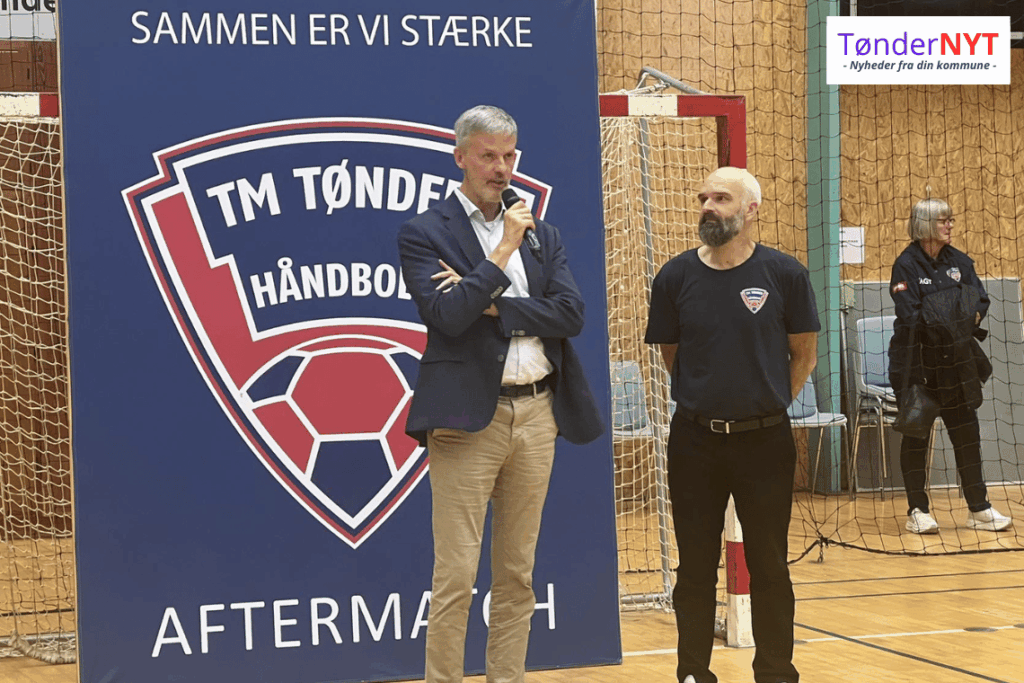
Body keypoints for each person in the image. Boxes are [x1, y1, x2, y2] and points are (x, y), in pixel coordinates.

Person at [396, 105, 603, 683]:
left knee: (517, 574)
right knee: (456, 575)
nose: (502, 168)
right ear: (460, 157)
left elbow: (570, 314)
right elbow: (448, 314)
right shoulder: (425, 233)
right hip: (465, 419)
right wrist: (502, 251)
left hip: (537, 413)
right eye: (489, 156)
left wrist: (493, 304)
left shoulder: (544, 235)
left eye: (510, 155)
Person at [644, 166, 818, 683]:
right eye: (704, 198)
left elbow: (804, 355)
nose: (708, 206)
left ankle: (776, 672)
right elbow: (672, 354)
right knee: (695, 567)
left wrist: (764, 403)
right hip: (694, 441)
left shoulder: (785, 274)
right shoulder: (674, 277)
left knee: (770, 564)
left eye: (721, 198)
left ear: (751, 209)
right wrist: (708, 399)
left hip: (765, 442)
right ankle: (693, 672)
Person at [888, 198, 1012, 534]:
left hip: (957, 363)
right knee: (916, 436)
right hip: (916, 366)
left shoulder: (960, 261)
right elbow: (912, 314)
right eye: (944, 220)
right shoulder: (906, 265)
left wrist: (948, 313)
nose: (950, 225)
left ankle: (979, 508)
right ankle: (917, 510)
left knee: (967, 435)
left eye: (950, 220)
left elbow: (979, 301)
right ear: (925, 225)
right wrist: (956, 312)